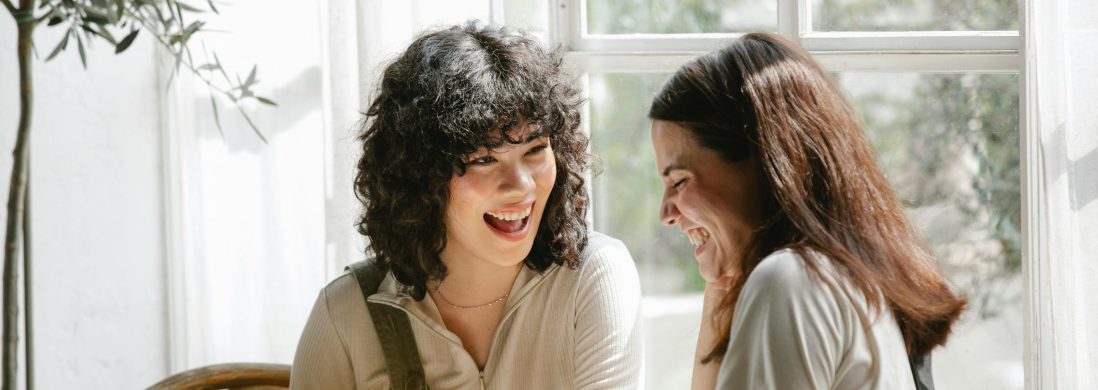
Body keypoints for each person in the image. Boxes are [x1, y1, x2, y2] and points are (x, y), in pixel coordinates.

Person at [291, 22, 642, 389]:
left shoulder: (593, 277)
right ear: (420, 175)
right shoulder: (347, 312)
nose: (521, 186)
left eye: (535, 150)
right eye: (483, 160)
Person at [649, 33, 967, 389]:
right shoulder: (846, 280)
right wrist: (724, 285)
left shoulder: (790, 282)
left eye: (679, 181)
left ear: (764, 163)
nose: (666, 213)